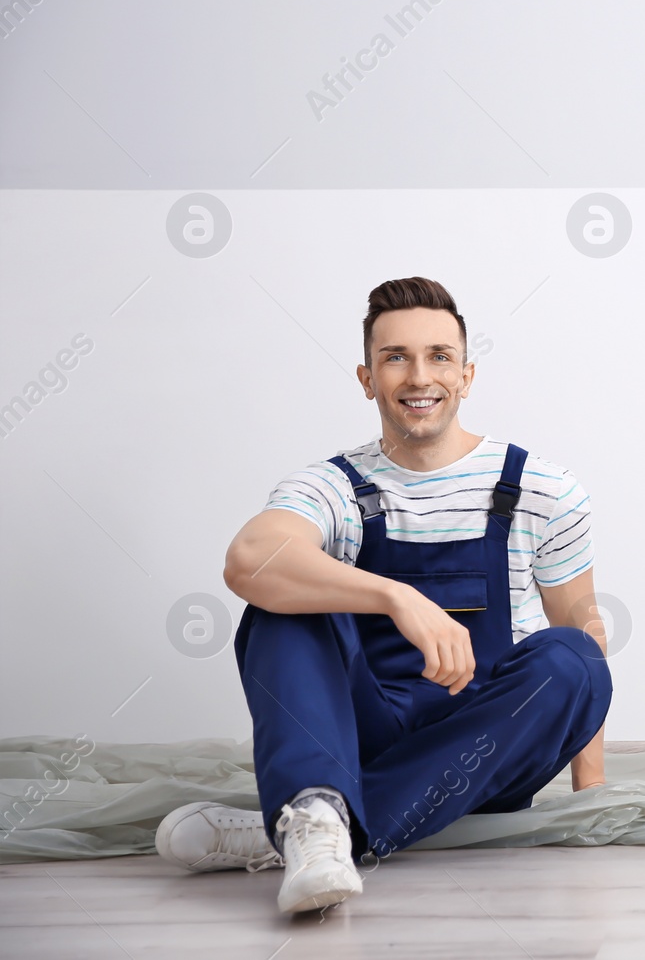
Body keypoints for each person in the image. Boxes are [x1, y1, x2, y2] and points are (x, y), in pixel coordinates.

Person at [154, 276, 613, 913]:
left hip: (488, 744)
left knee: (573, 658)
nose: (418, 376)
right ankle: (318, 810)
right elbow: (249, 559)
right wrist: (400, 597)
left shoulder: (542, 489)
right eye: (395, 357)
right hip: (364, 727)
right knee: (281, 600)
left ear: (467, 374)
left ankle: (304, 823)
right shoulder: (334, 486)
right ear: (368, 378)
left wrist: (591, 797)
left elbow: (583, 629)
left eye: (439, 356)